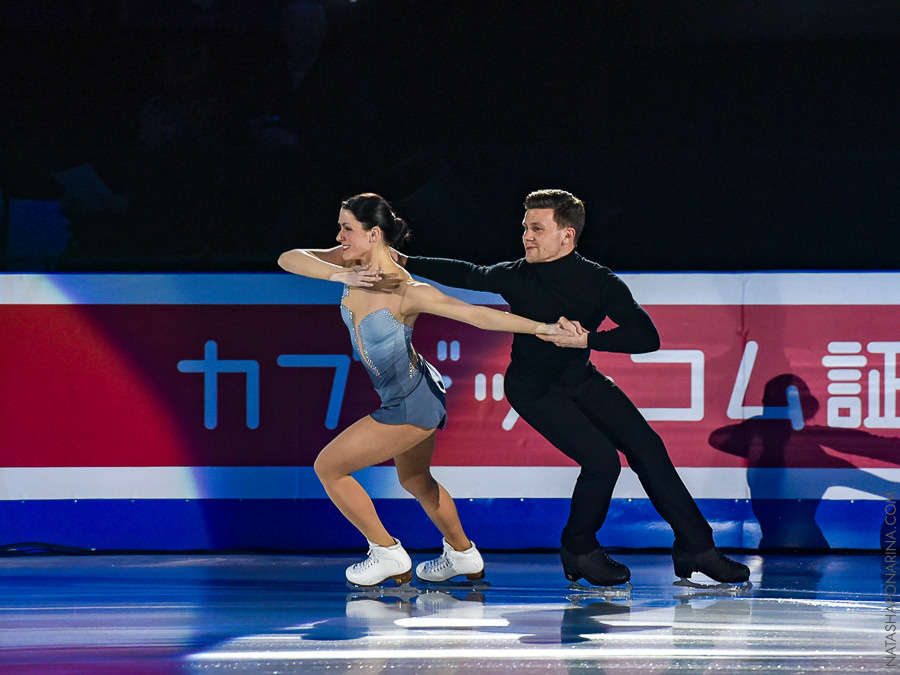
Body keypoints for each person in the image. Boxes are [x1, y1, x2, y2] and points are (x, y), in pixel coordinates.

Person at [395, 189, 751, 586]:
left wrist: (587, 341)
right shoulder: (517, 274)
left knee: (648, 448)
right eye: (525, 228)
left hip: (581, 379)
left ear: (567, 235)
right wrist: (405, 261)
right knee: (602, 462)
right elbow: (469, 274)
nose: (527, 236)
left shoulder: (599, 281)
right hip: (532, 388)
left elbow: (646, 336)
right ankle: (579, 549)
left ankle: (696, 548)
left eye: (537, 228)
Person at [278, 193, 572, 587]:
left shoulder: (407, 289)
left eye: (347, 228)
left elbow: (475, 315)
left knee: (328, 467)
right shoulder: (349, 263)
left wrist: (543, 328)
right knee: (416, 479)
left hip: (411, 401)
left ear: (374, 234)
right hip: (411, 390)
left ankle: (386, 552)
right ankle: (463, 555)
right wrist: (339, 276)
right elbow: (289, 258)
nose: (339, 236)